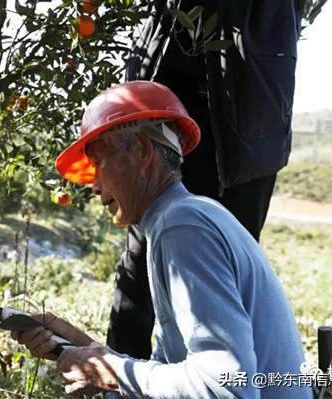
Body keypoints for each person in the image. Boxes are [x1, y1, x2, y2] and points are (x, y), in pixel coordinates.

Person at [12, 80, 311, 398]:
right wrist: (88, 352)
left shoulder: (182, 227)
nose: (94, 185)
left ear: (142, 151)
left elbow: (225, 387)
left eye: (99, 162)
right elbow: (175, 374)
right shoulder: (188, 216)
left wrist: (110, 371)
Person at [108, 0, 303, 361]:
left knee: (233, 254)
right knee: (141, 256)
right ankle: (121, 379)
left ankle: (226, 376)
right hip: (166, 98)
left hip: (251, 110)